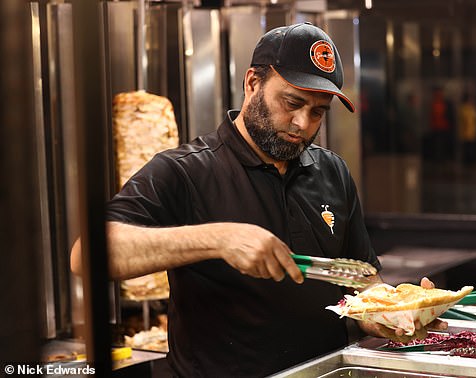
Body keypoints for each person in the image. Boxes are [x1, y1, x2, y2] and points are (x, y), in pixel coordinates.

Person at [71, 23, 443, 377]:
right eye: (292, 102)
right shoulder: (185, 171)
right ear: (252, 82)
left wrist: (392, 314)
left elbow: (361, 283)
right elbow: (88, 255)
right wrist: (217, 239)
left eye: (317, 112)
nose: (302, 124)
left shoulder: (333, 172)